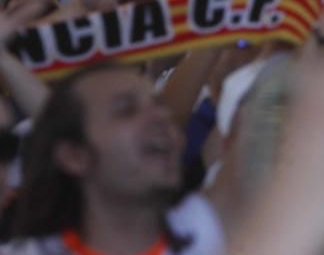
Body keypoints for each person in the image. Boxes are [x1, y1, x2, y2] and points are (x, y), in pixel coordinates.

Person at [6, 63, 223, 255]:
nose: (162, 117)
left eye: (159, 105)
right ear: (74, 156)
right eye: (126, 110)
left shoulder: (207, 233)